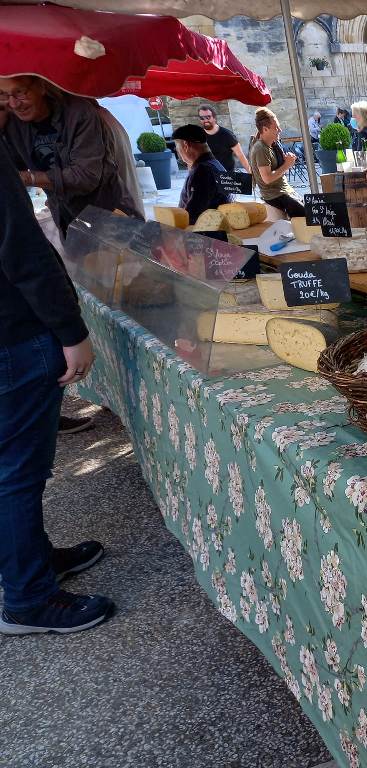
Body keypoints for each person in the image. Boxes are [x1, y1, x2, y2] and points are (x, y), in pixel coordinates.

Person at [0, 140, 114, 636]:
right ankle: (28, 597)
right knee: (17, 474)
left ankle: (33, 562)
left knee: (12, 470)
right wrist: (71, 332)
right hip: (13, 333)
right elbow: (21, 247)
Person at [0, 75, 142, 237]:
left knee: (125, 262)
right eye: (4, 95)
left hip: (111, 218)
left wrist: (30, 178)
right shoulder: (14, 123)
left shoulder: (79, 113)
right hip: (68, 222)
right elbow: (9, 171)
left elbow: (86, 176)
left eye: (20, 92)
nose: (14, 104)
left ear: (41, 86)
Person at [249, 107, 305, 217]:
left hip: (283, 190)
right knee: (307, 217)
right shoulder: (261, 148)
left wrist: (286, 160)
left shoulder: (271, 145)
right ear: (265, 129)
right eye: (276, 127)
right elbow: (267, 178)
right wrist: (287, 165)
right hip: (274, 195)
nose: (280, 130)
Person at [171, 124, 232, 225]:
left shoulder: (202, 171)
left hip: (205, 235)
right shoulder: (215, 164)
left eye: (177, 146)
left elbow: (193, 214)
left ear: (186, 145)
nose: (178, 151)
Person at [197, 105, 251, 174]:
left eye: (208, 117)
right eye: (202, 118)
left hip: (226, 177)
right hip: (208, 177)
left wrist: (251, 175)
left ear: (214, 118)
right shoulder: (198, 136)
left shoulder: (227, 135)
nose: (205, 120)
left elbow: (241, 156)